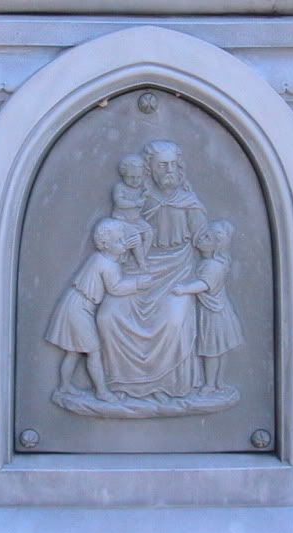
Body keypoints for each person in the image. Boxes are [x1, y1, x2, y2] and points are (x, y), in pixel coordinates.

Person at [97, 140, 208, 399]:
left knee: (173, 322)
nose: (168, 170)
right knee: (108, 316)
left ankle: (167, 387)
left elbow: (205, 239)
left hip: (178, 272)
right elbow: (117, 230)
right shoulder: (139, 197)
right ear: (150, 169)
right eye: (162, 165)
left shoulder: (189, 202)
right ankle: (124, 385)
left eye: (172, 165)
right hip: (137, 270)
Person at [46, 219, 150, 402]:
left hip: (73, 304)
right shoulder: (107, 265)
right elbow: (115, 288)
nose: (124, 244)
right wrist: (138, 284)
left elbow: (118, 258)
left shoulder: (100, 258)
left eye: (124, 240)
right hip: (79, 309)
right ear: (105, 244)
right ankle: (101, 391)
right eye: (119, 241)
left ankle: (65, 386)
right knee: (93, 351)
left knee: (73, 351)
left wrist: (129, 247)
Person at [173, 221, 244, 394]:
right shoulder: (211, 262)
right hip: (218, 312)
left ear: (216, 246)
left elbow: (203, 284)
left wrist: (184, 289)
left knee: (212, 351)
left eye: (207, 238)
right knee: (220, 349)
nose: (202, 239)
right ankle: (219, 382)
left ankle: (211, 383)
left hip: (213, 315)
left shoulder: (213, 266)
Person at [112, 154, 152, 270]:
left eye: (138, 177)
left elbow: (146, 194)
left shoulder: (140, 187)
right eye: (131, 177)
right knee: (135, 237)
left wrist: (145, 195)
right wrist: (135, 203)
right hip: (122, 220)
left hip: (136, 220)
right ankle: (141, 263)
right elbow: (119, 202)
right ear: (123, 174)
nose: (135, 180)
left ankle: (139, 258)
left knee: (149, 232)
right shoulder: (120, 187)